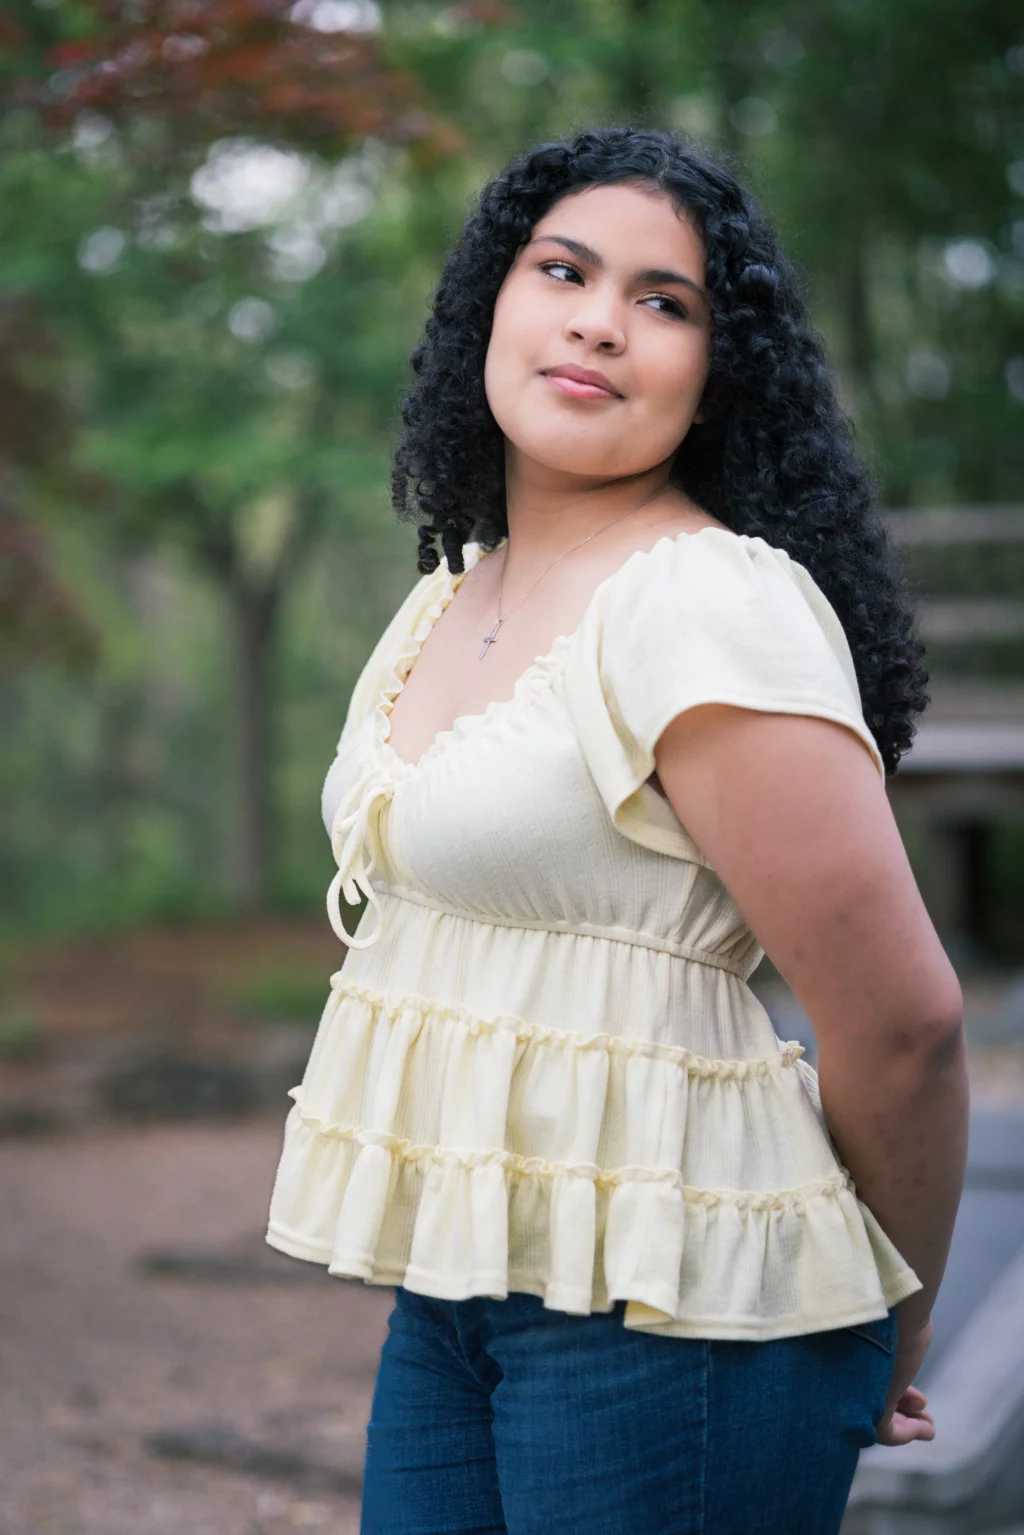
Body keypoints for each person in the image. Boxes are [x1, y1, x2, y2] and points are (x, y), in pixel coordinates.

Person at [265, 126, 969, 1534]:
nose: (601, 318)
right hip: (460, 1290)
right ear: (491, 305)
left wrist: (892, 1309)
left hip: (686, 1309)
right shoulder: (452, 594)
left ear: (719, 375)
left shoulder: (706, 603)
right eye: (564, 270)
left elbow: (905, 1022)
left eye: (668, 300)